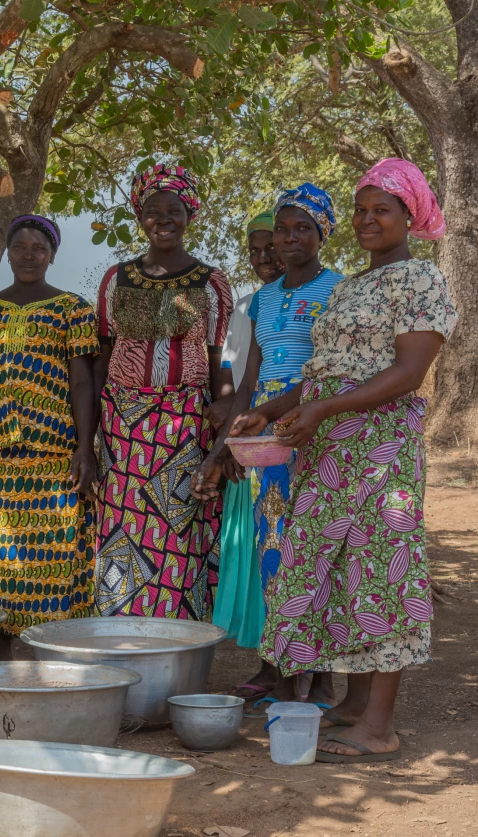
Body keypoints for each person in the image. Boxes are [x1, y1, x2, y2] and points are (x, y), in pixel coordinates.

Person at [231, 158, 456, 762]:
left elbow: (408, 373)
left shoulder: (420, 279)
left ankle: (378, 727)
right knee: (339, 570)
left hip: (381, 448)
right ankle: (354, 705)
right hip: (330, 450)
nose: (367, 220)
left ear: (410, 214)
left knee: (383, 572)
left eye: (382, 209)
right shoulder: (352, 286)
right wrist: (267, 411)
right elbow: (323, 373)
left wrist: (325, 408)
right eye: (360, 210)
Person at [196, 183, 343, 709]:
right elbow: (249, 381)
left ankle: (321, 680)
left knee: (317, 551)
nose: (289, 238)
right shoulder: (265, 298)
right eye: (282, 229)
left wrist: (273, 413)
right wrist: (225, 448)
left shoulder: (338, 291)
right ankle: (283, 674)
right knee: (273, 550)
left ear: (323, 234)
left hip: (316, 433)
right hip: (267, 444)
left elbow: (331, 373)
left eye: (303, 228)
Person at [0, 216, 99, 656]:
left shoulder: (72, 309)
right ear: (7, 252)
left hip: (55, 450)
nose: (29, 255)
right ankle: (8, 651)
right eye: (20, 247)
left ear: (52, 256)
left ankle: (56, 650)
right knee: (3, 555)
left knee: (57, 552)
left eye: (39, 248)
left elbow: (82, 382)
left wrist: (85, 447)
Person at [94, 164, 234, 621]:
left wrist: (222, 427)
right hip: (122, 425)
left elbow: (218, 356)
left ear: (189, 215)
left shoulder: (210, 281)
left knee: (179, 528)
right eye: (153, 211)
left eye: (174, 210)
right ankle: (121, 630)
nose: (163, 219)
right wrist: (92, 430)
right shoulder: (116, 278)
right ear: (140, 217)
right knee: (122, 524)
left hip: (185, 422)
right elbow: (103, 354)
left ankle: (177, 633)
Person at [210, 211, 284, 691]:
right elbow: (233, 376)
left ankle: (298, 669)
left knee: (287, 548)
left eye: (270, 247)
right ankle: (271, 663)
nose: (263, 258)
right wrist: (227, 444)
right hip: (249, 441)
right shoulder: (245, 306)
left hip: (292, 434)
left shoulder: (321, 298)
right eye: (254, 250)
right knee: (258, 551)